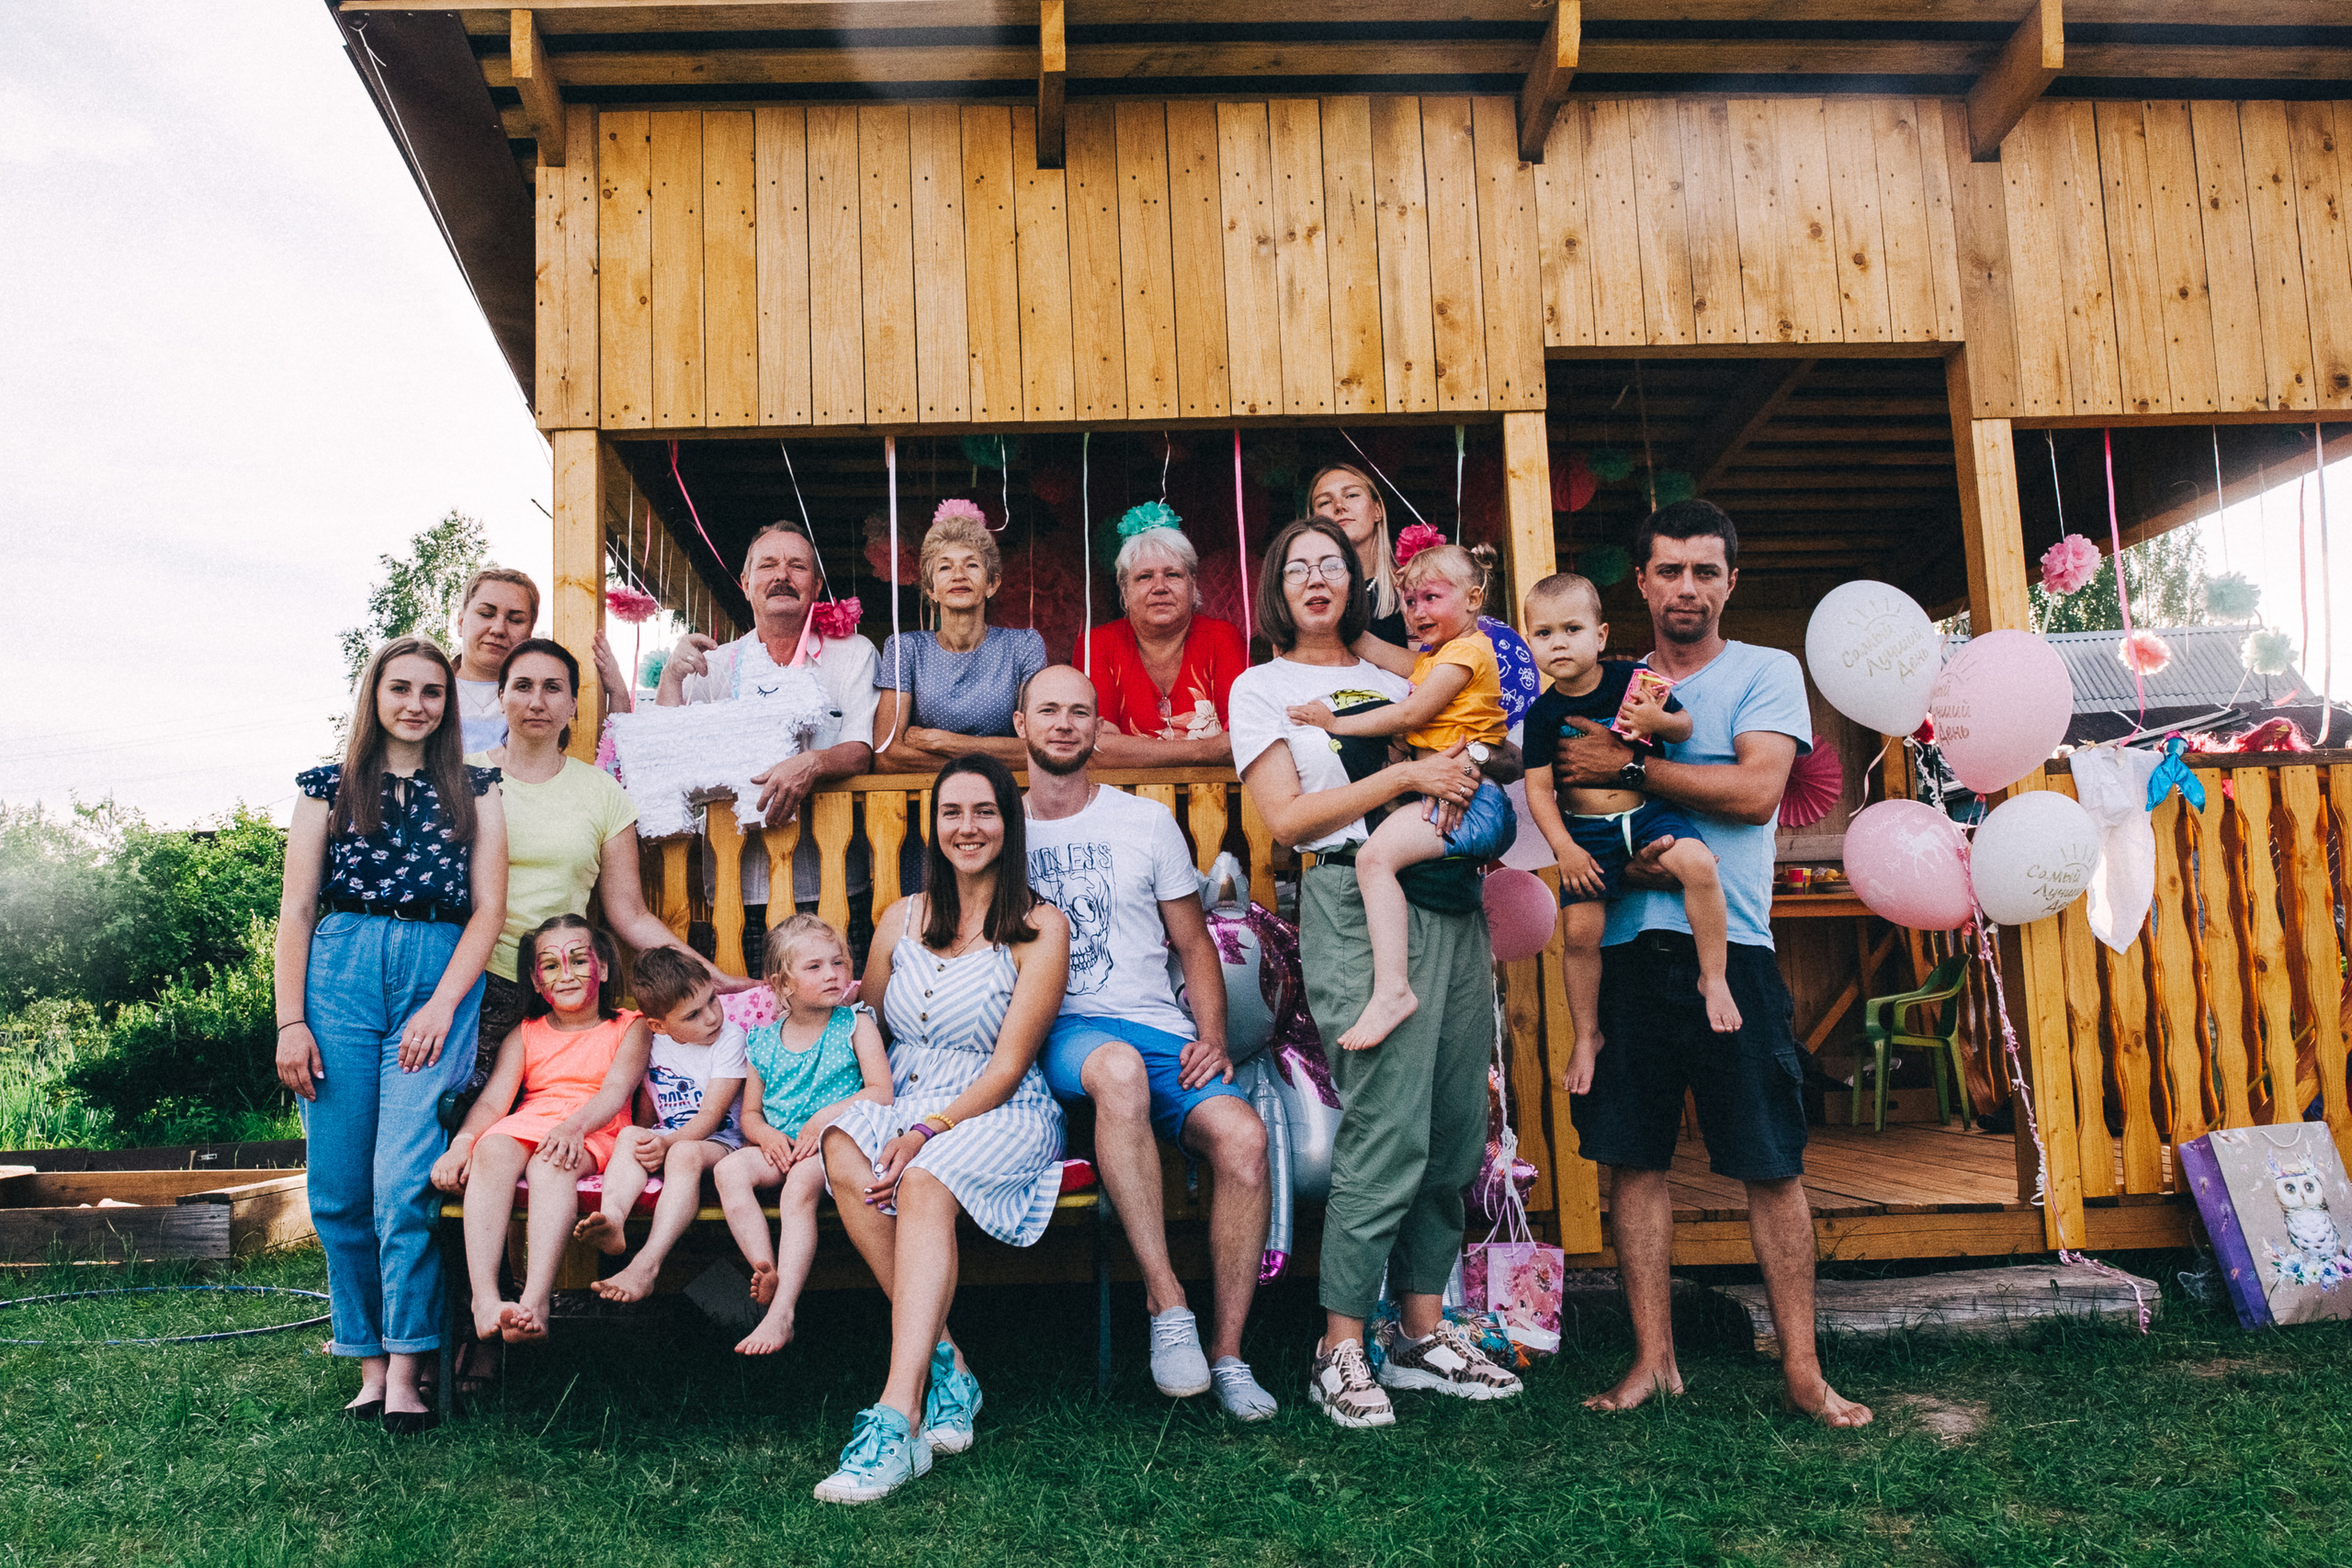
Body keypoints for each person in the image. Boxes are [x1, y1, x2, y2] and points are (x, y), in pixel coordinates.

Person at [1546, 499, 1871, 1429]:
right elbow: (1566, 786)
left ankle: (1803, 1370)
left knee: (1769, 1162)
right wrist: (1616, 847)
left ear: (1731, 580)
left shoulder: (1766, 671)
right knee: (1632, 1160)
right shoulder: (1606, 678)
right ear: (1641, 583)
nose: (1686, 587)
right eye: (1668, 571)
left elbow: (1755, 790)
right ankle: (1654, 1361)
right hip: (1620, 950)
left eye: (1704, 571)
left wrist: (1634, 772)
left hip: (1733, 949)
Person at [1228, 519, 1523, 1431]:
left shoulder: (1405, 674)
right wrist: (1406, 780)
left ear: (1359, 586)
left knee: (1451, 1123)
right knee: (1385, 1121)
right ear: (1276, 589)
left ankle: (1421, 1333)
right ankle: (1339, 1344)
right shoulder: (1261, 688)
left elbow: (1492, 749)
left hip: (1450, 897)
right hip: (1354, 902)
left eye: (1334, 565)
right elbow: (1287, 817)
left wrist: (1476, 758)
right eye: (1297, 566)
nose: (1317, 578)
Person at [1014, 665, 1278, 1419]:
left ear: (1099, 728)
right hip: (1062, 1031)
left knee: (1244, 1139)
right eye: (1049, 711)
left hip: (1159, 1026)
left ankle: (1228, 1354)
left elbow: (1194, 944)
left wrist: (1214, 1035)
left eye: (1080, 713)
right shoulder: (1002, 826)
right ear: (1021, 723)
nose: (1064, 724)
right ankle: (1168, 1306)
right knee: (1120, 1070)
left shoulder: (1145, 822)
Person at [813, 755, 1070, 1503]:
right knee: (843, 1144)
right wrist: (871, 1106)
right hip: (909, 1094)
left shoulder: (1038, 926)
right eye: (952, 811)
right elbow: (872, 1020)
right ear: (934, 824)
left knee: (926, 1176)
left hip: (998, 1106)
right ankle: (950, 1361)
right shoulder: (901, 915)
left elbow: (1009, 1061)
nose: (967, 826)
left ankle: (899, 1416)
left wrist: (928, 1129)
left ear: (1007, 822)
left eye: (984, 811)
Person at [274, 637, 506, 1434]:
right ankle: (367, 1362)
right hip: (338, 973)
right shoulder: (327, 788)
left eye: (432, 691)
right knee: (338, 1187)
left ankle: (410, 1365)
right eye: (400, 687)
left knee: (404, 1179)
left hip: (434, 972)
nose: (416, 703)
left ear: (448, 704)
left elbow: (489, 910)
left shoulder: (475, 787)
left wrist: (443, 1005)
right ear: (373, 695)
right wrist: (290, 1020)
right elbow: (297, 910)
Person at [1285, 538, 1519, 1052]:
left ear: (1475, 600)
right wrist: (1336, 617)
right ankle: (1398, 986)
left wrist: (1334, 720)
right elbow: (1381, 652)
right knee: (1383, 856)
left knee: (1374, 860)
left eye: (1431, 598)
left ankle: (1393, 990)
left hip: (1472, 799)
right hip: (1452, 791)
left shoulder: (1465, 655)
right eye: (1411, 602)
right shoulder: (1441, 656)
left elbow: (1411, 716)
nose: (1417, 612)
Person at [1520, 570, 1741, 1093]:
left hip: (1647, 813)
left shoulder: (1631, 680)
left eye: (1571, 629)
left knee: (1698, 866)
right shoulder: (1542, 713)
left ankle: (1713, 976)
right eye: (1544, 633)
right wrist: (1565, 850)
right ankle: (1587, 1035)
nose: (1558, 643)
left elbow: (1683, 727)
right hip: (1586, 833)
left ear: (1599, 636)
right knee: (1579, 935)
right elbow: (1537, 792)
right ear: (1530, 643)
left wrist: (1657, 720)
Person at [472, 637, 718, 1077]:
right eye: (522, 686)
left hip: (560, 986)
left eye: (552, 688)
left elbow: (630, 913)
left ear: (572, 704)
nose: (536, 701)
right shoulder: (462, 778)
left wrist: (706, 972)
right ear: (501, 696)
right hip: (471, 981)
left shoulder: (602, 793)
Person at [660, 520, 880, 967]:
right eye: (768, 565)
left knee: (837, 1009)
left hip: (834, 878)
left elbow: (862, 749)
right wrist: (670, 677)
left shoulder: (854, 652)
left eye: (797, 566)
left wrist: (812, 763)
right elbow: (669, 759)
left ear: (816, 585)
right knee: (747, 1015)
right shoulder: (714, 666)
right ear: (745, 583)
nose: (782, 575)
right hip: (738, 884)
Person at [430, 915, 653, 1348]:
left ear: (603, 968)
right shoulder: (525, 1034)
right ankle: (486, 1301)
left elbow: (615, 1092)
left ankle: (535, 1302)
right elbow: (495, 1103)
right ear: (535, 980)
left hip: (593, 1126)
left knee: (552, 1161)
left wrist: (574, 1127)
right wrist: (461, 1145)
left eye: (578, 960)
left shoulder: (631, 1025)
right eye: (550, 965)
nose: (565, 974)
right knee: (492, 1149)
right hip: (533, 1120)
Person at [712, 913, 892, 1355]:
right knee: (729, 1171)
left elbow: (881, 1092)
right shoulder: (763, 1041)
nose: (833, 974)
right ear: (782, 984)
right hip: (782, 1146)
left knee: (798, 1190)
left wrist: (824, 1119)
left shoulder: (854, 1024)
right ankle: (764, 1267)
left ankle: (783, 1312)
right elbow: (750, 1114)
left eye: (838, 962)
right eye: (814, 967)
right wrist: (766, 1136)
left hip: (832, 1149)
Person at [574, 945, 749, 1305]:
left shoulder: (731, 1039)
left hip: (724, 1139)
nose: (712, 1017)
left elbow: (711, 1117)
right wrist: (648, 1144)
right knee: (630, 1136)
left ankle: (647, 1265)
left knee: (684, 1153)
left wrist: (667, 1145)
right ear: (658, 1025)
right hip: (672, 1138)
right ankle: (613, 1219)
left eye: (712, 1001)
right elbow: (649, 1106)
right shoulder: (654, 1042)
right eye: (693, 1015)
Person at [1308, 462, 1544, 721]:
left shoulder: (1411, 586)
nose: (1340, 506)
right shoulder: (1307, 593)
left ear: (1377, 510)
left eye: (1351, 495)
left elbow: (1436, 665)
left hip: (1412, 721)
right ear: (1313, 521)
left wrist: (1348, 636)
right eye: (1324, 502)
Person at [870, 506, 1047, 774]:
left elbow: (1039, 749)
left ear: (992, 583)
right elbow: (887, 756)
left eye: (972, 564)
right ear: (931, 588)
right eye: (945, 567)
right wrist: (992, 758)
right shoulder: (905, 649)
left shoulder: (1023, 646)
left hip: (1005, 797)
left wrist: (941, 740)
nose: (958, 575)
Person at [1078, 513, 1246, 765]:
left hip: (1218, 798)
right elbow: (1097, 747)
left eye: (1173, 575)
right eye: (1144, 576)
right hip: (1125, 800)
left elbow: (1245, 739)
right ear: (1124, 590)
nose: (1159, 586)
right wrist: (1204, 751)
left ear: (1193, 585)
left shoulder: (1221, 638)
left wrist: (1131, 751)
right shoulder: (1096, 645)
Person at [451, 568, 539, 754]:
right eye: (485, 614)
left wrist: (616, 693)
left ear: (530, 633)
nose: (498, 629)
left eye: (515, 620)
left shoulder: (544, 700)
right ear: (460, 623)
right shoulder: (425, 692)